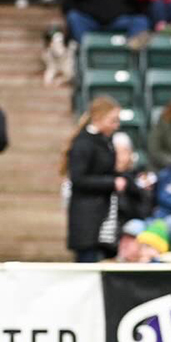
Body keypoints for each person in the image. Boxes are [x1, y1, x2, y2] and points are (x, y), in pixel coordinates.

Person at [63, 96, 126, 262]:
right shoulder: (83, 143)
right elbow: (78, 179)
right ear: (98, 118)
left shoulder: (104, 141)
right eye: (112, 120)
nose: (116, 125)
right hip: (86, 217)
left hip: (102, 216)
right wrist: (111, 183)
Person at [113, 131, 156, 224]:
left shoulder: (139, 175)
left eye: (123, 152)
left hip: (137, 221)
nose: (119, 157)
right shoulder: (108, 177)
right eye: (116, 152)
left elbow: (146, 208)